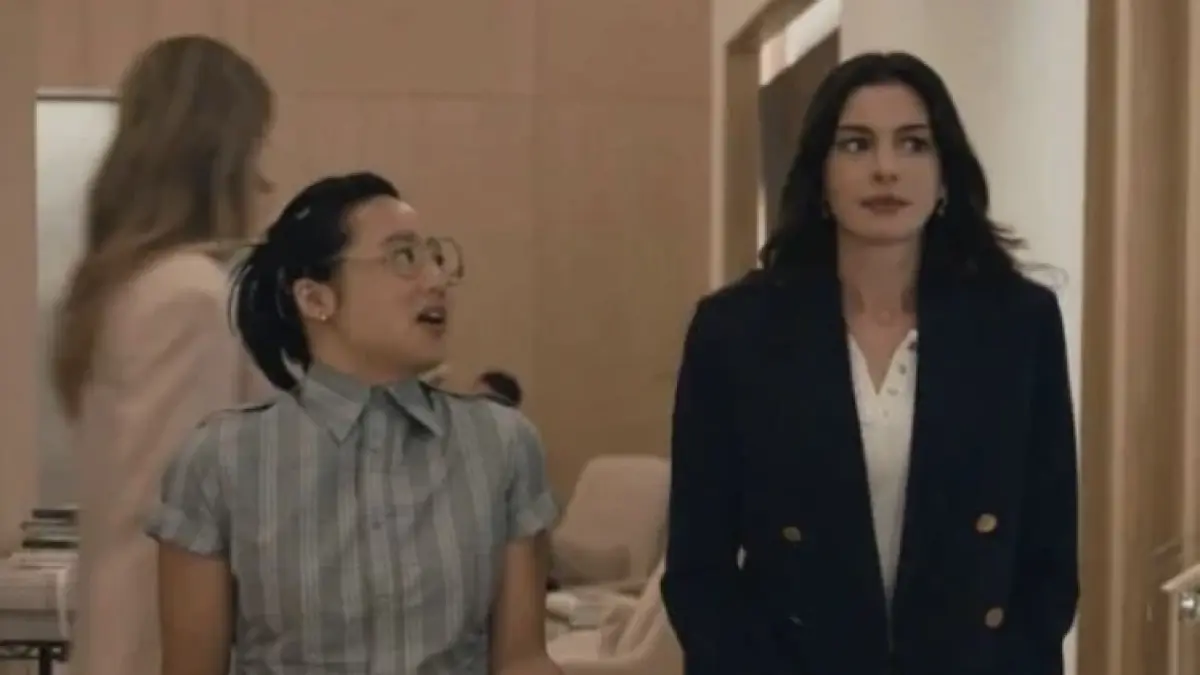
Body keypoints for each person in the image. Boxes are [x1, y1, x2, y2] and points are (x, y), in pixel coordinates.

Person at [660, 51, 1078, 675]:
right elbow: (699, 568)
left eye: (913, 144)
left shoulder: (1019, 324)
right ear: (821, 177)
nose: (886, 168)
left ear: (945, 176)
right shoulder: (736, 331)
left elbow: (1047, 556)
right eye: (856, 145)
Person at [146, 172, 562, 675]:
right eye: (403, 257)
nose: (436, 280)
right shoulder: (221, 461)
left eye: (436, 257)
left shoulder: (502, 444)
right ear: (315, 299)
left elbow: (522, 660)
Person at [50, 35, 273, 675]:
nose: (263, 180)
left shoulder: (123, 289)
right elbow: (174, 535)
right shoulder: (189, 298)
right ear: (220, 159)